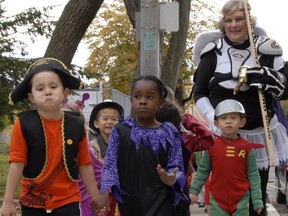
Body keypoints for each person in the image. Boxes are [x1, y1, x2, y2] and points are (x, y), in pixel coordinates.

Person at [193, 0, 288, 215]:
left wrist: (271, 78)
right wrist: (213, 119)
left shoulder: (267, 49)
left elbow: (285, 88)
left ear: (249, 22)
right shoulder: (212, 52)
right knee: (224, 191)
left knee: (257, 194)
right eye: (228, 20)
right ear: (223, 23)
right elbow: (199, 93)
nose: (234, 25)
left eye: (239, 19)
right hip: (224, 136)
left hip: (258, 136)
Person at [0, 58, 100, 216]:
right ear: (31, 97)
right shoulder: (23, 123)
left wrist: (96, 195)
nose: (47, 91)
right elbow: (16, 162)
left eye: (53, 86)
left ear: (65, 92)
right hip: (32, 202)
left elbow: (85, 163)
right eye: (40, 89)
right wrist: (7, 201)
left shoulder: (77, 125)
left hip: (68, 201)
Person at [93, 75, 188, 216]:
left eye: (149, 97)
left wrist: (171, 178)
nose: (142, 102)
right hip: (130, 202)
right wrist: (104, 192)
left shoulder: (169, 132)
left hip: (161, 201)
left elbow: (177, 164)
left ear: (161, 102)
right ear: (131, 100)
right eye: (137, 97)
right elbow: (110, 164)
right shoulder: (120, 130)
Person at [190, 99, 264, 215]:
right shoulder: (212, 146)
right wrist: (194, 191)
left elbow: (253, 175)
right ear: (216, 123)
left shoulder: (248, 148)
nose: (228, 121)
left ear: (242, 122)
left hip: (241, 201)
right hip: (217, 201)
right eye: (223, 118)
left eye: (233, 118)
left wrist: (257, 200)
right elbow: (203, 171)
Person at [78, 100, 124, 216]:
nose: (110, 122)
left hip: (117, 193)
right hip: (96, 194)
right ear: (96, 123)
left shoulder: (124, 146)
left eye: (114, 119)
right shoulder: (91, 147)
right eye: (105, 118)